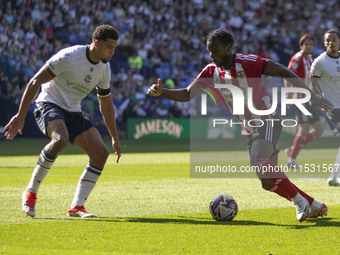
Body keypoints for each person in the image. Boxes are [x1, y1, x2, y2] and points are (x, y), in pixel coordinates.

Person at [147, 28, 333, 222]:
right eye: (209, 51)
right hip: (249, 128)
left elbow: (283, 71)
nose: (212, 55)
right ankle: (316, 205)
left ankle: (299, 202)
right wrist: (163, 92)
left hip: (267, 119)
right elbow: (187, 94)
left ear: (228, 47)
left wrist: (311, 96)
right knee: (268, 183)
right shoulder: (211, 71)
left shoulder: (249, 62)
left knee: (260, 163)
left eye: (215, 51)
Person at [4, 24, 122, 218]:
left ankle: (76, 207)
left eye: (115, 48)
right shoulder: (70, 56)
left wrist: (114, 138)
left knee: (101, 153)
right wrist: (20, 115)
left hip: (73, 110)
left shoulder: (104, 68)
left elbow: (106, 105)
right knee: (60, 139)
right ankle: (31, 192)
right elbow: (35, 82)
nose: (112, 52)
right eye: (110, 47)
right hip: (49, 104)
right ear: (97, 43)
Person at [283, 34, 324, 169]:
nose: (308, 46)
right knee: (304, 129)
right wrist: (288, 96)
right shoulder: (298, 58)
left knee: (319, 130)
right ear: (301, 46)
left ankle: (292, 149)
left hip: (309, 99)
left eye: (310, 44)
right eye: (305, 44)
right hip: (299, 99)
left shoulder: (311, 58)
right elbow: (287, 76)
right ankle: (291, 161)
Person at [310, 30, 340, 186]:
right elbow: (312, 84)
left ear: (339, 41)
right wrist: (317, 98)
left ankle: (334, 177)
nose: (331, 43)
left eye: (333, 39)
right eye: (328, 40)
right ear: (324, 43)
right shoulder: (320, 62)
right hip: (332, 107)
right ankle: (334, 177)